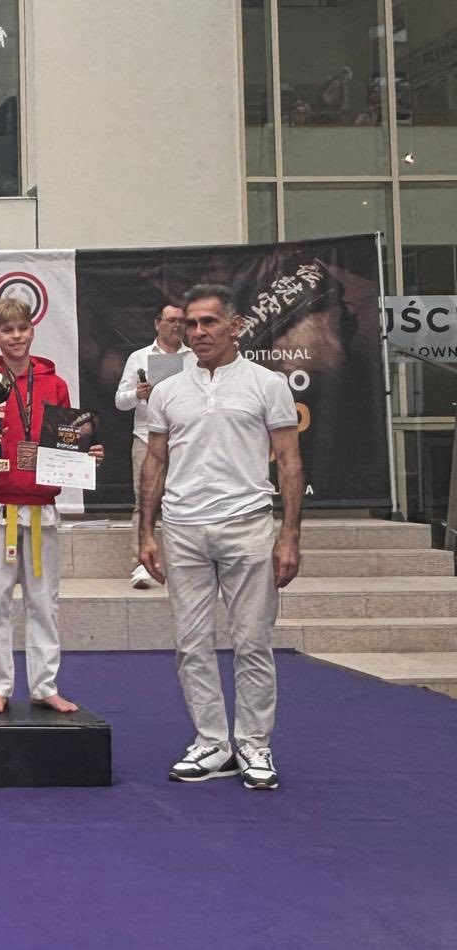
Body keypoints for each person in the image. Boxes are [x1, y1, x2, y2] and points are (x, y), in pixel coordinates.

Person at [138, 283, 301, 791]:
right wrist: (145, 531)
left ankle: (254, 744)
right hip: (183, 528)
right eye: (191, 323)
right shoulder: (167, 391)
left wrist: (289, 534)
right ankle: (212, 741)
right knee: (191, 644)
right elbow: (155, 462)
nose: (199, 332)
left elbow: (289, 462)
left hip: (247, 524)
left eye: (209, 322)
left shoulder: (267, 384)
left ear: (236, 326)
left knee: (252, 641)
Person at [0, 298, 104, 715]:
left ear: (32, 330)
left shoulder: (54, 384)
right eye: (7, 330)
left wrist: (86, 456)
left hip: (42, 505)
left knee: (44, 601)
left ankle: (45, 685)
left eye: (22, 328)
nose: (16, 337)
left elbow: (65, 443)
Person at [114, 302, 192, 588]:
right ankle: (142, 563)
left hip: (185, 437)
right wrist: (137, 393)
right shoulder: (139, 357)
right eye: (171, 320)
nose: (176, 326)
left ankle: (181, 560)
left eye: (181, 321)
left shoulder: (194, 357)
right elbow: (119, 401)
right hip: (147, 437)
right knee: (144, 500)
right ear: (157, 323)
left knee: (183, 500)